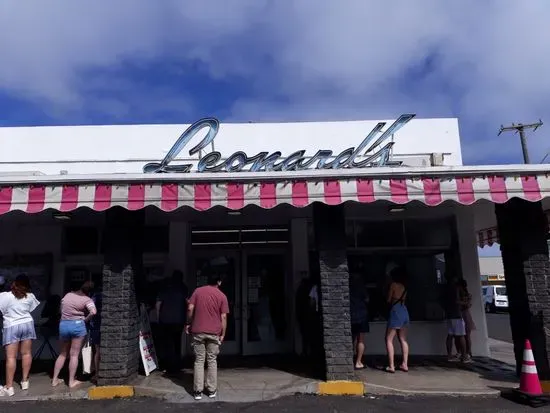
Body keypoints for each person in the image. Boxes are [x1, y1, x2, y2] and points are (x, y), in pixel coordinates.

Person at [186, 272, 229, 401]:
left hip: (198, 331)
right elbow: (224, 316)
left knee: (199, 360)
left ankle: (197, 391)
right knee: (212, 360)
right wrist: (223, 333)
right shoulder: (222, 296)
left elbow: (190, 308)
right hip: (214, 332)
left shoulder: (198, 292)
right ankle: (211, 390)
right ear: (219, 282)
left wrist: (188, 323)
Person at [0, 275, 40, 396]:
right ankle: (25, 381)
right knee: (26, 353)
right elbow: (30, 308)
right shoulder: (30, 296)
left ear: (14, 283)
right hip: (27, 324)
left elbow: (2, 310)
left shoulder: (5, 296)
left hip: (12, 325)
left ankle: (9, 387)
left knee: (11, 357)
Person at [52, 281, 97, 388]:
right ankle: (71, 381)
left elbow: (61, 309)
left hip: (64, 325)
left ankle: (54, 380)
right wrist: (85, 320)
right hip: (77, 326)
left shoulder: (68, 295)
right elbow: (93, 312)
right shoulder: (87, 299)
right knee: (74, 355)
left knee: (62, 354)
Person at [155, 270, 189, 374]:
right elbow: (188, 303)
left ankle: (169, 366)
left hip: (165, 320)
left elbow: (158, 304)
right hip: (179, 320)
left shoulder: (165, 287)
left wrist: (158, 317)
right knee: (177, 342)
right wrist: (187, 319)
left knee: (168, 344)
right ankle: (177, 366)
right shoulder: (183, 288)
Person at [385, 266, 409, 373]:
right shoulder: (404, 286)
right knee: (403, 339)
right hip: (404, 310)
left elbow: (389, 299)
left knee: (389, 339)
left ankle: (391, 366)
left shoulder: (393, 285)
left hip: (395, 311)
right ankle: (405, 364)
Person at [444, 276, 470, 363]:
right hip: (456, 315)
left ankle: (449, 356)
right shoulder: (456, 289)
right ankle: (464, 357)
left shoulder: (446, 288)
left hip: (449, 314)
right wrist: (466, 303)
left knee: (450, 335)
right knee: (461, 335)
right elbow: (457, 301)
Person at [350, 273, 369, 370]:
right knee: (360, 339)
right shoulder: (361, 287)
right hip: (362, 315)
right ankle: (358, 362)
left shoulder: (348, 286)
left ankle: (348, 361)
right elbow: (367, 299)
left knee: (351, 339)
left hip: (351, 315)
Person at [458, 279, 476, 358]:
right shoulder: (467, 295)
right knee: (465, 336)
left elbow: (467, 305)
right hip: (465, 315)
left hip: (464, 315)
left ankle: (468, 352)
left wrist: (460, 303)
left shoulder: (466, 295)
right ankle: (467, 352)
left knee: (466, 335)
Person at [89, 286, 103, 383]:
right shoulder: (106, 296)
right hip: (105, 324)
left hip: (96, 325)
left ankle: (97, 374)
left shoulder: (94, 297)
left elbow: (92, 312)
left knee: (97, 350)